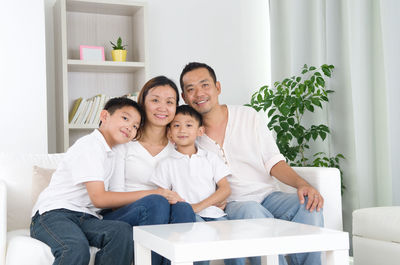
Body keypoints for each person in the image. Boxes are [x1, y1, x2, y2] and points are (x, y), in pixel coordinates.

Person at [179, 62, 324, 265]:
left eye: (204, 85)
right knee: (251, 211)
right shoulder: (188, 133)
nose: (199, 93)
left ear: (217, 87)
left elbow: (273, 162)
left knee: (309, 204)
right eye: (190, 89)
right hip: (234, 204)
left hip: (268, 196)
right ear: (184, 97)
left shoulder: (248, 116)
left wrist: (302, 184)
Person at [30, 97, 145, 265]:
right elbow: (99, 198)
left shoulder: (115, 152)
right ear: (104, 116)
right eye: (125, 118)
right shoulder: (89, 145)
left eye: (135, 126)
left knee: (122, 232)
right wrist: (151, 193)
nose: (130, 127)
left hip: (87, 217)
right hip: (53, 214)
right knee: (74, 247)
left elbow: (115, 198)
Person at [103, 76, 196, 265]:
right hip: (122, 215)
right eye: (155, 100)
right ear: (142, 103)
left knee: (184, 210)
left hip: (160, 213)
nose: (163, 107)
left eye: (169, 102)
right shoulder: (125, 142)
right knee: (156, 202)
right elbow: (113, 201)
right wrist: (156, 195)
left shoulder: (177, 147)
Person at [150, 104, 232, 265]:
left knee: (236, 242)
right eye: (176, 125)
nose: (182, 130)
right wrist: (189, 209)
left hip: (216, 215)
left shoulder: (210, 158)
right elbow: (162, 196)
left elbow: (225, 189)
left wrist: (198, 206)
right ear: (169, 133)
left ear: (200, 131)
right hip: (189, 218)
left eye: (188, 125)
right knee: (200, 239)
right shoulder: (165, 163)